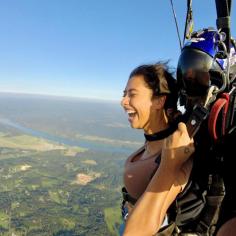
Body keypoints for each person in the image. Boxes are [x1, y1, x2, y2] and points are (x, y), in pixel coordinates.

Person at [120, 62, 195, 235]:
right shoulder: (156, 141)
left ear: (159, 101)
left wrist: (169, 165)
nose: (123, 101)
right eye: (124, 94)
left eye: (132, 94)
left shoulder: (176, 154)